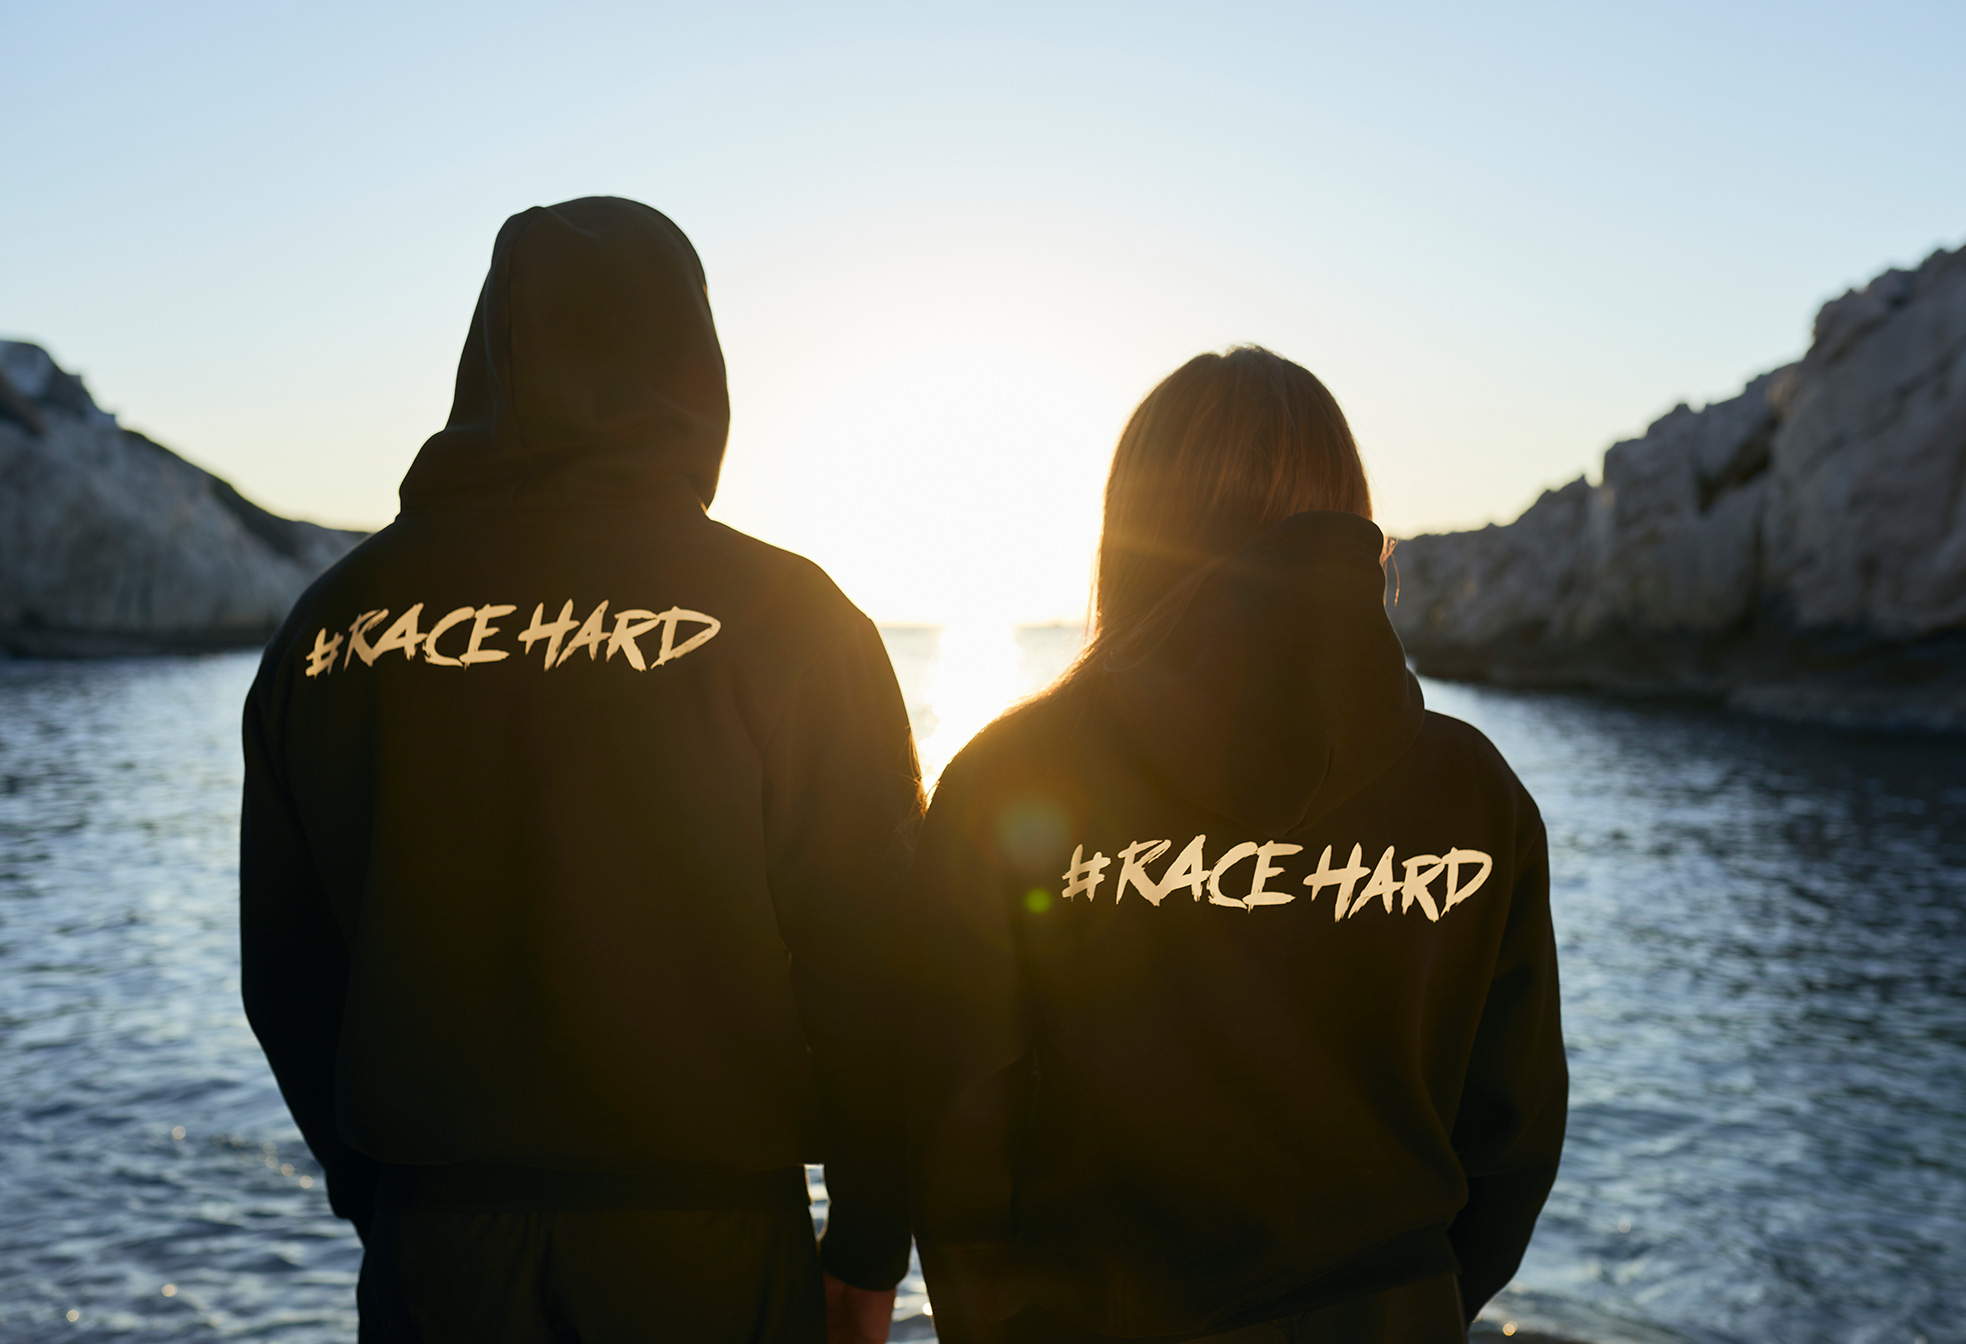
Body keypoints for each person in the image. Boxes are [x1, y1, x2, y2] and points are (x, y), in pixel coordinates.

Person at [240, 197, 920, 1344]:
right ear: (694, 363)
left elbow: (287, 979)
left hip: (437, 1260)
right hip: (708, 1256)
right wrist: (866, 1242)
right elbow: (877, 960)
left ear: (489, 353)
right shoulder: (790, 620)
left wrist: (386, 1205)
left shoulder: (328, 630)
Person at [906, 346, 1567, 1343]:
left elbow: (953, 1112)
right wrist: (1408, 1307)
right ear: (1350, 512)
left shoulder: (1009, 779)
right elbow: (1513, 1135)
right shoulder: (1474, 793)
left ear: (1133, 526)